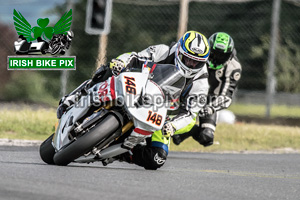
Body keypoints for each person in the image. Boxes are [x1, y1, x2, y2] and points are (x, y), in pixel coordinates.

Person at [57, 30, 211, 170]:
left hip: (164, 114)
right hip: (141, 87)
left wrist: (173, 126)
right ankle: (77, 95)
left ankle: (122, 153)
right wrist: (121, 62)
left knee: (157, 159)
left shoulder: (201, 83)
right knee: (109, 69)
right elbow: (135, 56)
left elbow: (190, 114)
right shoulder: (163, 51)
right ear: (179, 50)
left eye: (197, 62)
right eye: (188, 59)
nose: (191, 64)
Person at [172, 32, 242, 147]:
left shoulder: (234, 67)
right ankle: (179, 127)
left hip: (209, 101)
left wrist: (211, 108)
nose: (217, 59)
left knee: (206, 137)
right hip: (186, 93)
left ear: (229, 55)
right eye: (214, 54)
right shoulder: (199, 56)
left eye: (222, 56)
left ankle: (189, 131)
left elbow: (226, 96)